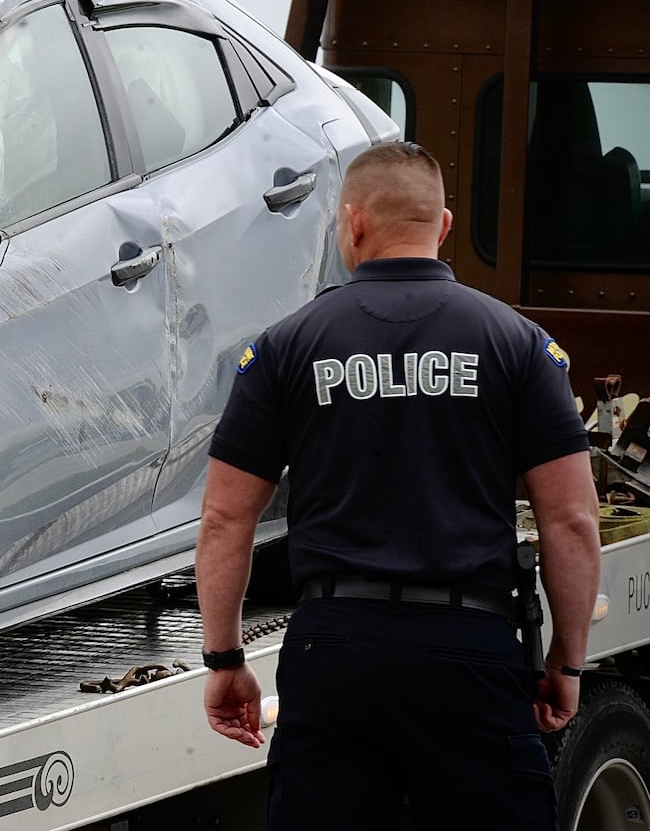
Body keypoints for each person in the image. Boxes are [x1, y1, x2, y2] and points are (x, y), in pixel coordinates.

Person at [194, 141, 602, 829]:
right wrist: (566, 662)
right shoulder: (517, 343)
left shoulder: (286, 346)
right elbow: (572, 522)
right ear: (442, 228)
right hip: (470, 650)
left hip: (334, 650)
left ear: (351, 224)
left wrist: (225, 657)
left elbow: (224, 521)